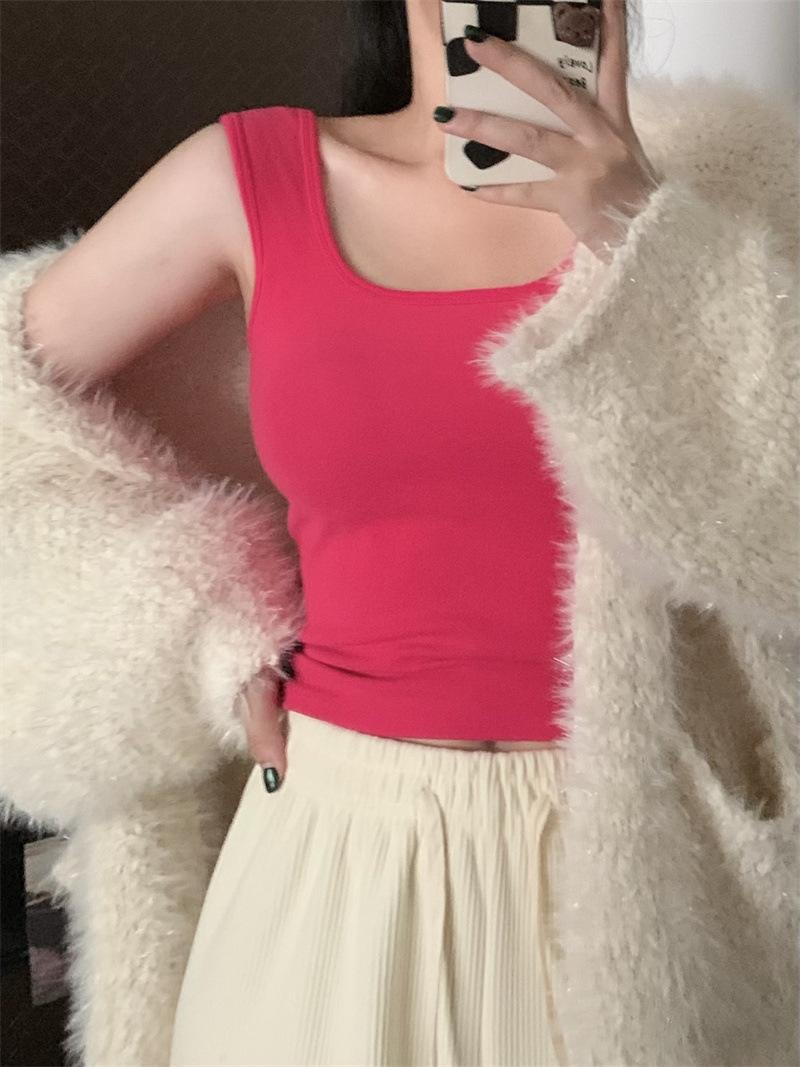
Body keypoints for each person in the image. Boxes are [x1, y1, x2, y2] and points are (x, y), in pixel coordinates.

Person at [2, 0, 797, 1065]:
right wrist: (203, 629)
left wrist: (640, 233)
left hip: (644, 882)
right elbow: (16, 425)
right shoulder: (248, 180)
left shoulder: (733, 184)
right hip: (331, 850)